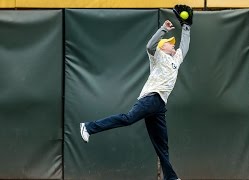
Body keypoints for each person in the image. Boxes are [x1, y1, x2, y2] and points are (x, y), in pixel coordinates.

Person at [80, 5, 193, 180]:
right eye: (169, 44)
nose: (173, 45)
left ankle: (170, 177)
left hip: (159, 105)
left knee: (162, 145)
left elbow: (184, 46)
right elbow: (150, 45)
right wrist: (163, 29)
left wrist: (186, 26)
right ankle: (88, 127)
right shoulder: (158, 56)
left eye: (172, 44)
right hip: (149, 99)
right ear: (163, 48)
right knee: (128, 119)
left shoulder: (175, 60)